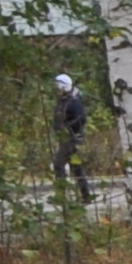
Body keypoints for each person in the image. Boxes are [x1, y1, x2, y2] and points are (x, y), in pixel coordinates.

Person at [52, 69, 88, 201]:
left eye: (57, 86)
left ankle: (61, 195)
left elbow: (81, 118)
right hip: (66, 137)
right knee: (76, 167)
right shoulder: (63, 100)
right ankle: (86, 195)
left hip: (71, 138)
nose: (56, 90)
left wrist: (67, 128)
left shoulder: (73, 101)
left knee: (58, 163)